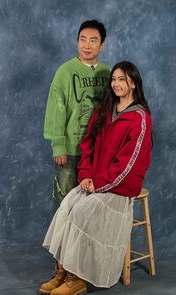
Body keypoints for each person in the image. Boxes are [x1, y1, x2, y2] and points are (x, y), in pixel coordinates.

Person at [40, 61, 153, 295]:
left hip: (119, 187)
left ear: (133, 83)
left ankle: (77, 278)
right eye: (114, 79)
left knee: (82, 213)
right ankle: (63, 270)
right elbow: (88, 144)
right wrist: (86, 175)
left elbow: (129, 164)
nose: (116, 84)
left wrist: (99, 185)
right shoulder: (105, 110)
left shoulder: (139, 118)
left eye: (122, 79)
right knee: (68, 205)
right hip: (94, 181)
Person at [43, 19, 110, 213]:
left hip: (98, 150)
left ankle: (85, 243)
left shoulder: (108, 72)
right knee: (65, 199)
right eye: (83, 39)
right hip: (71, 149)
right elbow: (56, 109)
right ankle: (62, 244)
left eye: (93, 40)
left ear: (102, 45)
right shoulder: (65, 71)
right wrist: (58, 145)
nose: (87, 45)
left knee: (92, 203)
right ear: (77, 42)